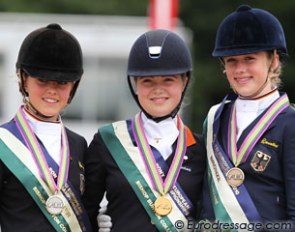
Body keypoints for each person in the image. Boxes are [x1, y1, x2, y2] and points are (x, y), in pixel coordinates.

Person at [82, 29, 206, 231]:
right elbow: (84, 211)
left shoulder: (201, 149)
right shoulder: (108, 141)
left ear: (184, 82)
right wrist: (96, 223)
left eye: (168, 80)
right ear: (136, 85)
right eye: (148, 81)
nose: (158, 89)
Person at [201, 4, 295, 231]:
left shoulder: (290, 124)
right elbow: (204, 199)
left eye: (249, 59)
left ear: (273, 60)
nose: (240, 69)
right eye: (231, 60)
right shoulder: (214, 118)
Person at [0, 23, 92, 232]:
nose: (52, 90)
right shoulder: (3, 143)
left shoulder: (78, 144)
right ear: (24, 79)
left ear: (73, 87)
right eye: (42, 80)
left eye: (62, 83)